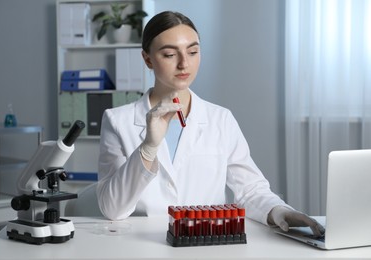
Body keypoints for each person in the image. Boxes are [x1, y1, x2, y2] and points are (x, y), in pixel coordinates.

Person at [97, 11, 324, 236]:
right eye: (169, 55)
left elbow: (250, 189)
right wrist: (148, 148)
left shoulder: (220, 119)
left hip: (206, 242)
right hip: (144, 245)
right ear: (147, 58)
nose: (184, 63)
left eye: (193, 52)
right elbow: (112, 209)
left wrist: (278, 211)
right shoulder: (118, 121)